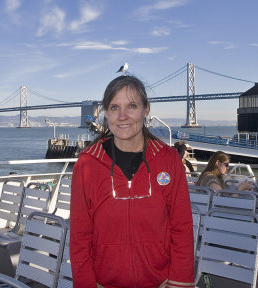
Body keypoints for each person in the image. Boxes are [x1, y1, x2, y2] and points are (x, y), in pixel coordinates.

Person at [70, 75, 195, 287]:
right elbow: (80, 238)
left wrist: (180, 283)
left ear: (146, 109)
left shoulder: (169, 160)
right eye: (114, 107)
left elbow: (182, 228)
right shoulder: (87, 164)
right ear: (106, 113)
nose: (123, 116)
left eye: (132, 106)